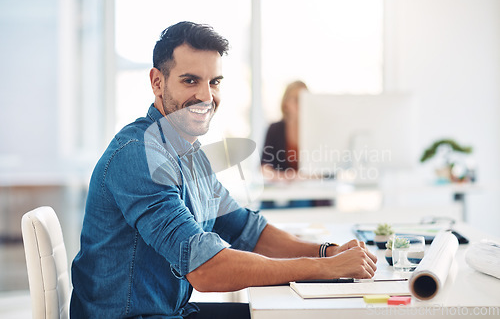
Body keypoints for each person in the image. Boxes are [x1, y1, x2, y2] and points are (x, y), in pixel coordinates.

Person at [70, 21, 377, 319]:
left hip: (168, 311)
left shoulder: (190, 153)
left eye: (214, 82)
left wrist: (325, 253)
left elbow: (246, 230)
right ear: (157, 81)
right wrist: (324, 270)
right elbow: (205, 269)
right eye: (190, 80)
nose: (206, 96)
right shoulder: (139, 156)